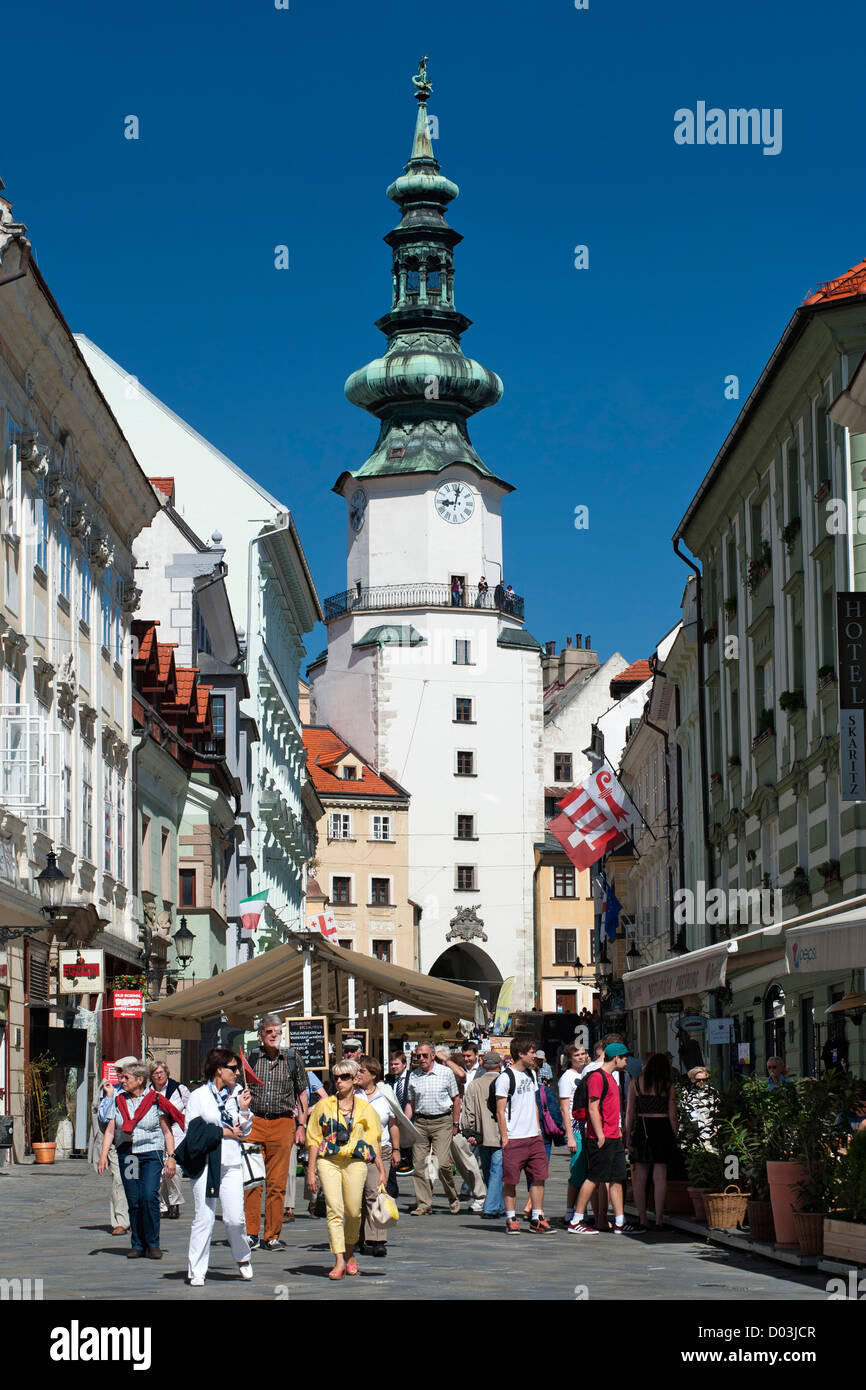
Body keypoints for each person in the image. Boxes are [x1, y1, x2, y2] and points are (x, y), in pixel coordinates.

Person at [306, 1060, 384, 1280]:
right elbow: (313, 1138)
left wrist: (381, 1169)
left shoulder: (365, 1109)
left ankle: (350, 1252)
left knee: (353, 1211)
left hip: (355, 1161)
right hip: (328, 1161)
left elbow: (373, 1141)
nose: (339, 1081)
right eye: (336, 1077)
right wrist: (310, 1170)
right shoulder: (324, 1105)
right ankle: (339, 1259)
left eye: (345, 1077)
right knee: (334, 1209)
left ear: (354, 1079)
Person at [183, 1049, 254, 1286]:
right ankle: (197, 1270)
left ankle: (243, 1257)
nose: (237, 1073)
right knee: (204, 1216)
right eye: (233, 1068)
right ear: (218, 1069)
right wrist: (223, 1131)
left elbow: (244, 1131)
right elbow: (192, 1132)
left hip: (231, 1162)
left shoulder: (237, 1095)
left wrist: (244, 1110)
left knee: (235, 1219)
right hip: (206, 1162)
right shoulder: (199, 1096)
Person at [97, 1061, 177, 1259]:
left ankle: (153, 1243)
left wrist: (171, 1157)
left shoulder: (155, 1100)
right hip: (128, 1155)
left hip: (151, 1153)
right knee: (133, 1199)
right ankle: (138, 1244)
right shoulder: (119, 1101)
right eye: (121, 1077)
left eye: (126, 1078)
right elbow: (110, 1130)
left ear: (140, 1080)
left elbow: (167, 1132)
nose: (122, 1081)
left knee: (148, 1196)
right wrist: (103, 1155)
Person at [243, 1013, 308, 1252]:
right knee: (252, 1182)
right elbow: (239, 1088)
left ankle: (271, 1235)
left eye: (277, 1031)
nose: (273, 1035)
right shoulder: (251, 1057)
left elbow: (302, 1092)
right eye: (268, 1031)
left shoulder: (292, 1058)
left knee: (277, 1183)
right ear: (260, 1035)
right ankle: (251, 1233)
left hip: (282, 1123)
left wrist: (301, 1125)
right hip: (255, 1122)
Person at [569, 1043, 638, 1235]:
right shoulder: (598, 1078)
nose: (626, 1062)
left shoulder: (612, 1078)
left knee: (617, 1178)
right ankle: (576, 1220)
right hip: (601, 1137)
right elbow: (593, 1107)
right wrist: (600, 1135)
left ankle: (619, 1221)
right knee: (594, 1178)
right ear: (616, 1058)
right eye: (624, 1058)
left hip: (613, 1135)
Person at [496, 1038, 552, 1234]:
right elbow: (500, 1110)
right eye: (531, 1052)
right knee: (511, 1179)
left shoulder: (532, 1074)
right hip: (514, 1137)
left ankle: (537, 1216)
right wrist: (505, 1136)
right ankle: (511, 1218)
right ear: (520, 1053)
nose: (534, 1055)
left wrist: (538, 1129)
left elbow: (534, 1104)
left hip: (534, 1136)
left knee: (539, 1177)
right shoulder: (505, 1078)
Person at [624, 1052, 679, 1232]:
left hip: (643, 1127)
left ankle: (642, 1218)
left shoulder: (636, 1083)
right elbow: (672, 1113)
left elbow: (630, 1111)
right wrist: (675, 1132)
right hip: (662, 1127)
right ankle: (659, 1218)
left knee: (639, 1177)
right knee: (660, 1176)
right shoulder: (668, 1085)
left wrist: (628, 1134)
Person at [404, 1043, 461, 1214]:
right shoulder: (414, 1075)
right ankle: (424, 1204)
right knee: (419, 1164)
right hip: (420, 1122)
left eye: (424, 1055)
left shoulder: (446, 1073)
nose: (421, 1058)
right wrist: (405, 1123)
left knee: (442, 1163)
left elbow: (456, 1099)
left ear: (433, 1055)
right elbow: (410, 1103)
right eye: (418, 1056)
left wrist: (455, 1123)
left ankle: (452, 1196)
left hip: (442, 1121)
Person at [355, 1055, 401, 1257]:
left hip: (381, 1149)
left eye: (362, 1071)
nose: (358, 1074)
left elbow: (393, 1123)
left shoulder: (385, 1093)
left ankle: (377, 1239)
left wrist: (397, 1149)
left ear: (373, 1075)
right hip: (356, 1151)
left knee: (376, 1193)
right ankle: (356, 1237)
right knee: (356, 1197)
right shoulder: (352, 1093)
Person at [95, 1053, 139, 1235]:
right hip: (119, 1145)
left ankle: (136, 1218)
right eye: (119, 1073)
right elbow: (104, 1118)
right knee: (119, 1181)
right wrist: (109, 1096)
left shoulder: (145, 1093)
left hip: (139, 1147)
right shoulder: (116, 1092)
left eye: (122, 1073)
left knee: (134, 1182)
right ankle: (120, 1221)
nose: (120, 1077)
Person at [460, 1051, 505, 1218]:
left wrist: (469, 1131)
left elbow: (468, 1111)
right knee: (497, 1170)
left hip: (481, 1134)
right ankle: (492, 1207)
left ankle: (497, 1205)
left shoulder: (474, 1084)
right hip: (501, 1133)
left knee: (488, 1170)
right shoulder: (504, 1081)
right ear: (499, 1065)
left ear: (483, 1065)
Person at [150, 1060, 189, 1220]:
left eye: (161, 1072)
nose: (159, 1076)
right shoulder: (149, 1092)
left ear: (166, 1073)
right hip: (157, 1134)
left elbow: (190, 1109)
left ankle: (175, 1203)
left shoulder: (179, 1089)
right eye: (155, 1073)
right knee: (159, 1172)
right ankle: (163, 1205)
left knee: (173, 1170)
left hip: (177, 1134)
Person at [559, 1042, 590, 1225]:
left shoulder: (586, 1074)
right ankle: (570, 1210)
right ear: (570, 1058)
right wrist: (569, 1135)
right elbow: (564, 1108)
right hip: (575, 1128)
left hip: (587, 1127)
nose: (581, 1057)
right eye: (577, 1055)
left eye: (583, 1054)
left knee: (586, 1171)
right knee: (577, 1171)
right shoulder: (567, 1077)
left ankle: (581, 1208)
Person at [683, 1065, 719, 1144]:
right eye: (699, 1080)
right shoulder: (686, 1094)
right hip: (692, 1132)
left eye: (705, 1080)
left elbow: (717, 1111)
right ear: (693, 1080)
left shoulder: (712, 1092)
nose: (702, 1082)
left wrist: (717, 1129)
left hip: (709, 1132)